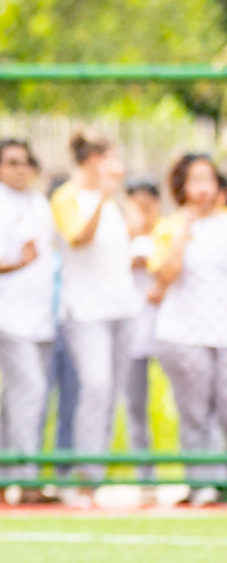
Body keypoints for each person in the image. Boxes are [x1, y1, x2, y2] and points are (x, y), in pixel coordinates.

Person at [50, 133, 141, 503]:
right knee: (96, 387)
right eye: (108, 158)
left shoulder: (115, 203)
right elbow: (78, 238)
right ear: (92, 159)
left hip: (123, 307)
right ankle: (83, 476)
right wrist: (103, 196)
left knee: (112, 394)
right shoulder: (67, 197)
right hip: (85, 311)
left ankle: (96, 475)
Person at [0, 140, 57, 499]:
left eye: (26, 162)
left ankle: (3, 481)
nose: (20, 169)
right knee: (31, 391)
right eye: (12, 162)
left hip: (39, 317)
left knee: (14, 398)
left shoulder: (38, 203)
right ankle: (29, 480)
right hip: (3, 317)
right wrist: (20, 262)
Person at [150, 154, 227, 505]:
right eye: (194, 181)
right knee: (196, 412)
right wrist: (183, 230)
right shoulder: (169, 226)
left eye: (207, 180)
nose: (202, 189)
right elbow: (164, 276)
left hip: (221, 330)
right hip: (185, 333)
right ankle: (200, 485)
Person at [124, 180, 161, 489]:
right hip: (133, 337)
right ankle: (145, 477)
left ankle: (204, 475)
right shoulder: (118, 241)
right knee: (136, 406)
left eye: (148, 206)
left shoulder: (169, 235)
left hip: (169, 334)